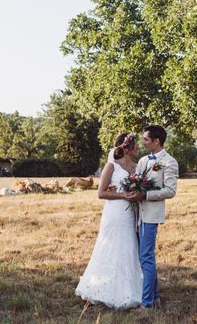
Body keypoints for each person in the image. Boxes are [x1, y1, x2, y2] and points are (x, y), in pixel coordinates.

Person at [75, 133, 143, 309]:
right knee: (111, 245)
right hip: (115, 212)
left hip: (130, 213)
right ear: (126, 147)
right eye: (136, 145)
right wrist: (123, 194)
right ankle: (103, 288)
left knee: (129, 246)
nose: (139, 148)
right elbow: (101, 193)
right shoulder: (111, 166)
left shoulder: (137, 167)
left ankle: (129, 287)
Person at [126, 125, 179, 309]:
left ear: (157, 141)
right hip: (136, 214)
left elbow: (170, 191)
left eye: (146, 139)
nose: (143, 142)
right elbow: (136, 181)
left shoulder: (169, 162)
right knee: (143, 257)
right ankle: (154, 297)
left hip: (150, 215)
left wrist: (146, 195)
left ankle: (147, 304)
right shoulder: (142, 160)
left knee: (146, 257)